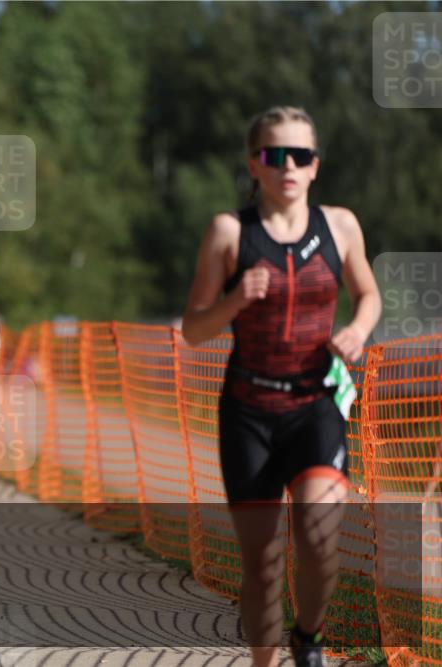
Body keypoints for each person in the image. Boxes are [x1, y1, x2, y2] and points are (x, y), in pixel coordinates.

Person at [181, 106, 381, 667]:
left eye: (301, 155)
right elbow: (195, 329)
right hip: (249, 411)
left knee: (320, 540)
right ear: (255, 163)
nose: (288, 165)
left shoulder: (340, 225)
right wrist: (235, 299)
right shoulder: (229, 232)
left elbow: (368, 294)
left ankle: (309, 637)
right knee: (263, 564)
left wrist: (358, 330)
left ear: (315, 166)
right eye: (275, 155)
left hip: (316, 404)